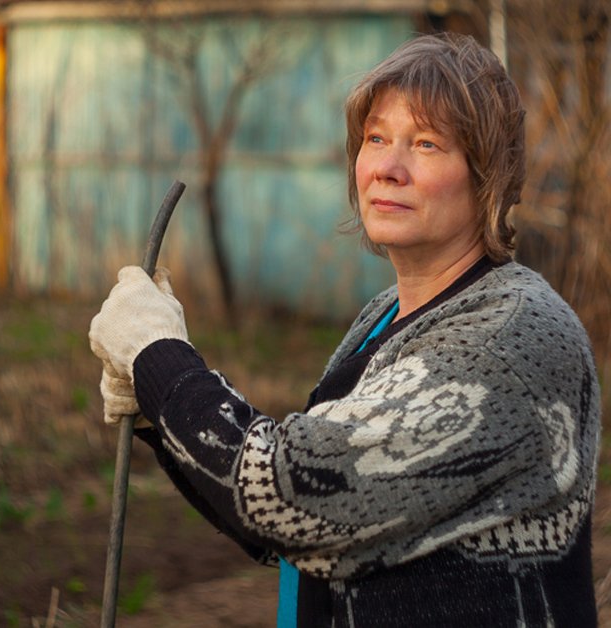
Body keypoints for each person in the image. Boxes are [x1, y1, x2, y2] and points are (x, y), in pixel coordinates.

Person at [89, 32, 599, 627]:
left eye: (427, 144)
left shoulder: (511, 338)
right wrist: (156, 409)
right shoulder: (384, 317)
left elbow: (286, 496)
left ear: (488, 177)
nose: (387, 168)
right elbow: (308, 526)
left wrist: (160, 359)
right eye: (376, 139)